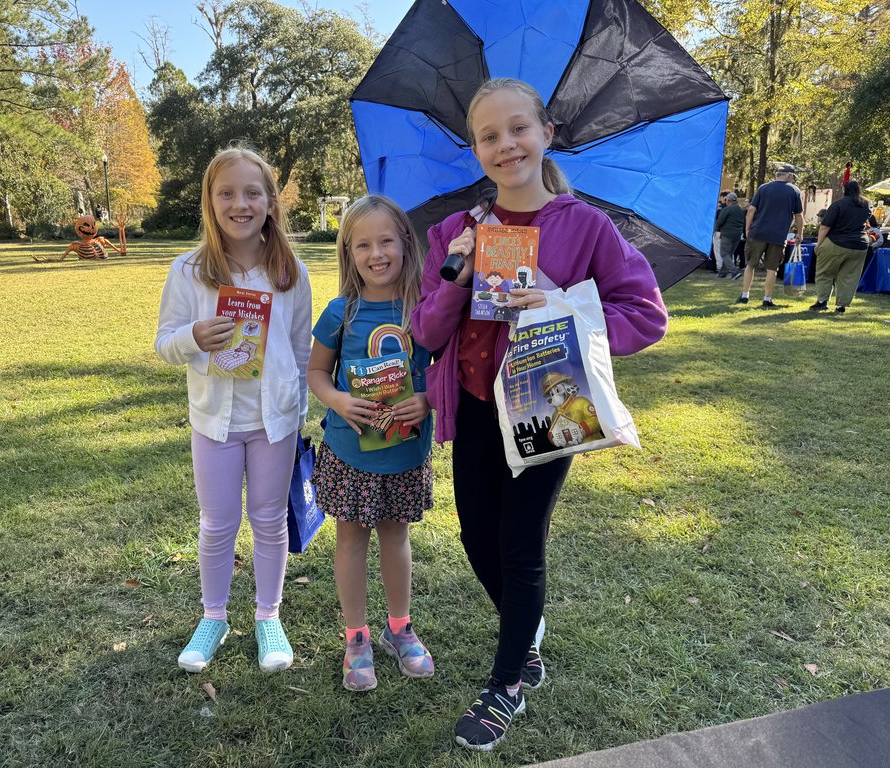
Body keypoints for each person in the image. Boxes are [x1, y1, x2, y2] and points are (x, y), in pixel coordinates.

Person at [411, 78, 668, 751]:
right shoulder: (455, 232)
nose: (506, 144)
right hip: (472, 409)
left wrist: (563, 302)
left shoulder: (585, 227)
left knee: (520, 546)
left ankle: (506, 686)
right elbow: (428, 333)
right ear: (476, 150)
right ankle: (525, 637)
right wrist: (455, 278)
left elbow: (646, 315)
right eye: (489, 135)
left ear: (545, 133)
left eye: (518, 129)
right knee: (476, 538)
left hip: (548, 407)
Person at [154, 147, 312, 674]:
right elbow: (163, 342)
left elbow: (301, 347)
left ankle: (269, 616)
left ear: (270, 201)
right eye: (227, 193)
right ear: (210, 201)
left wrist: (300, 408)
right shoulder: (190, 270)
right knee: (217, 523)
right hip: (214, 420)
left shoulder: (289, 271)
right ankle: (214, 617)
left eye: (252, 193)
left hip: (275, 421)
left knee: (269, 521)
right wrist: (193, 337)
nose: (239, 204)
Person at [307, 195, 435, 692]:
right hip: (350, 452)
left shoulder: (424, 310)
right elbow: (317, 372)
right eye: (363, 244)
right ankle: (356, 636)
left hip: (405, 451)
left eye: (386, 241)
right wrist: (338, 400)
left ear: (405, 243)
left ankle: (399, 627)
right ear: (349, 251)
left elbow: (440, 370)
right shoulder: (341, 312)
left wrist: (425, 400)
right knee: (350, 539)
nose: (376, 253)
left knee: (396, 536)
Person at [737, 163, 803, 308]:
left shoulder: (763, 188)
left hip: (758, 232)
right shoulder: (794, 191)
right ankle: (767, 298)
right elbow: (798, 215)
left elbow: (751, 211)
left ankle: (744, 295)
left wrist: (747, 229)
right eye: (793, 177)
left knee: (750, 265)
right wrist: (800, 233)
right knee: (772, 268)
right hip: (778, 235)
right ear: (789, 175)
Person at [810, 180, 879, 314]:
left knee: (825, 273)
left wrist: (819, 245)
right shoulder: (867, 205)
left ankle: (822, 301)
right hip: (859, 245)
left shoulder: (838, 205)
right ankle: (841, 306)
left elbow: (825, 226)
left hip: (836, 242)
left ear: (845, 190)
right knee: (849, 276)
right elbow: (866, 223)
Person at [714, 192, 746, 278]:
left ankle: (734, 271)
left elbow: (720, 221)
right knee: (729, 254)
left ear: (728, 200)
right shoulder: (741, 210)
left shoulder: (727, 209)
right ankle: (722, 273)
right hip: (738, 235)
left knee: (724, 253)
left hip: (727, 234)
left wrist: (715, 230)